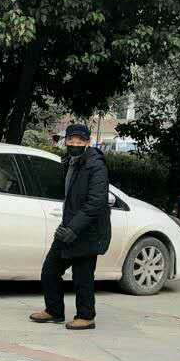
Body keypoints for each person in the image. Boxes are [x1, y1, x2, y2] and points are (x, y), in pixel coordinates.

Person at [30, 123, 111, 330]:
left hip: (88, 231)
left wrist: (73, 228)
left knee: (82, 276)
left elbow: (95, 202)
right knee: (49, 270)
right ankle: (54, 310)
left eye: (80, 141)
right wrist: (67, 226)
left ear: (87, 142)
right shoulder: (70, 162)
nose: (75, 144)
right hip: (69, 227)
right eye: (71, 140)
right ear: (65, 141)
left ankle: (86, 316)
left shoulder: (96, 165)